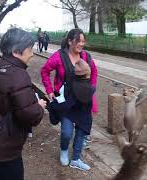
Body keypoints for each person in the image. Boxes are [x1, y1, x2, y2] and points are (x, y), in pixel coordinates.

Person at [0, 28, 46, 180]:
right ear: (17, 50)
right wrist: (39, 107)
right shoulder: (18, 74)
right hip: (5, 152)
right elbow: (30, 116)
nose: (32, 54)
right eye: (29, 49)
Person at [41, 28, 98, 171]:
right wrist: (49, 90)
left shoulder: (86, 57)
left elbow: (94, 71)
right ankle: (64, 151)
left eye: (83, 41)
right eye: (78, 41)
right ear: (70, 41)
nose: (81, 44)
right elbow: (45, 71)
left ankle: (76, 158)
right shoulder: (59, 56)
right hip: (66, 102)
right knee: (67, 132)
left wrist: (91, 88)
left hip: (83, 102)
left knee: (81, 130)